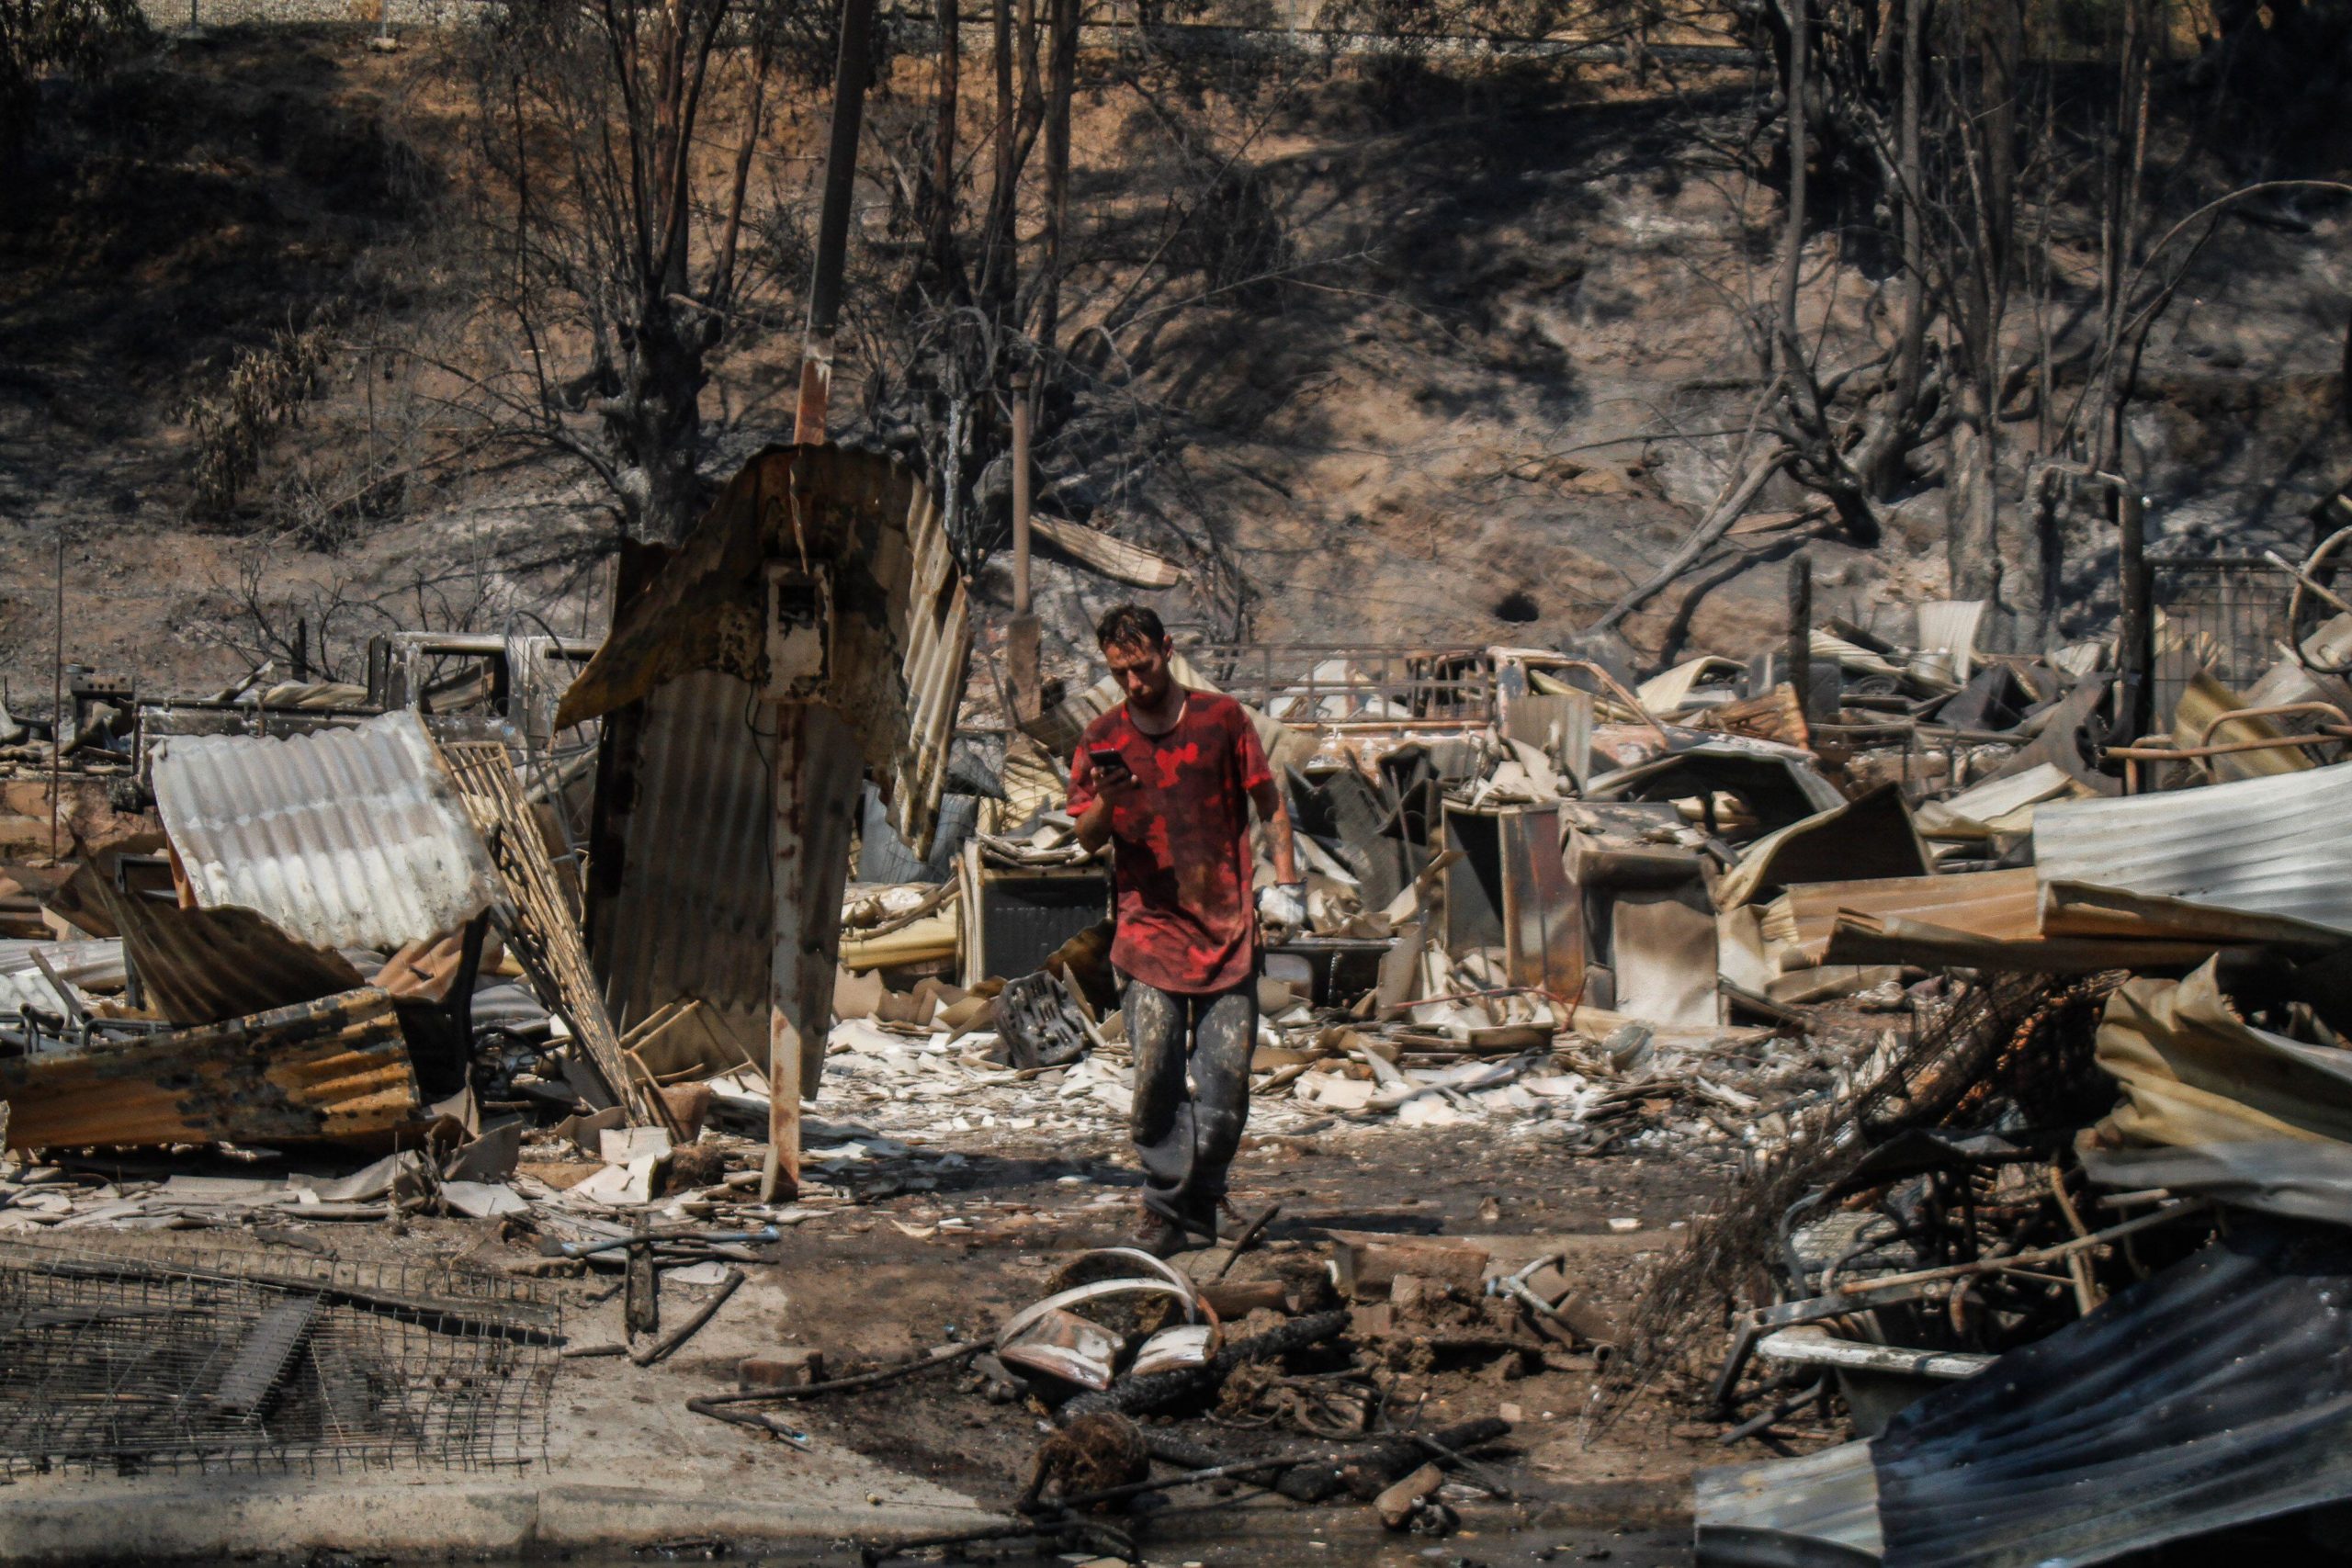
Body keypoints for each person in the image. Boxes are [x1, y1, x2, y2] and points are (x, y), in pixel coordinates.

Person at [1067, 604, 1304, 1257]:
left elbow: (1268, 798)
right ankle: (1164, 1203)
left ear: (1167, 650)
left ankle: (1209, 1196)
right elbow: (1086, 838)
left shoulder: (1221, 719)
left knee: (1226, 1074)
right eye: (1119, 672)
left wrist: (1284, 882)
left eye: (1142, 667)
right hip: (1147, 930)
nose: (1133, 683)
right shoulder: (1099, 735)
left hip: (1227, 924)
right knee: (1156, 1069)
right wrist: (1110, 797)